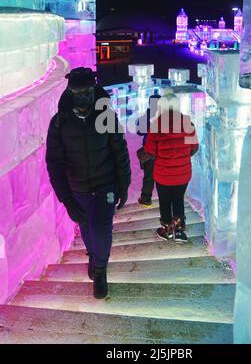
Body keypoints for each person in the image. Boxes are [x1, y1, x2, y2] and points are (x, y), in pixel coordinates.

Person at [46, 67, 131, 299]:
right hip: (78, 188)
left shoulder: (106, 116)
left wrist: (124, 184)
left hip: (106, 185)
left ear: (94, 90)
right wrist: (67, 201)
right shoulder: (59, 123)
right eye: (78, 92)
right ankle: (93, 255)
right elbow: (54, 164)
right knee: (85, 227)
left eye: (88, 92)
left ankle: (101, 271)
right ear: (70, 92)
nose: (84, 97)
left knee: (102, 229)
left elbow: (119, 150)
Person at [138, 92, 198, 243]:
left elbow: (150, 152)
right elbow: (194, 148)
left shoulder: (156, 126)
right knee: (178, 199)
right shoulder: (188, 124)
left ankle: (168, 230)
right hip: (183, 174)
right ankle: (180, 232)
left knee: (165, 201)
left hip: (163, 174)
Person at [136, 95, 161, 206]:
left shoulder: (147, 116)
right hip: (163, 150)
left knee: (149, 175)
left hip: (149, 150)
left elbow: (139, 131)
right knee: (163, 175)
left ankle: (146, 197)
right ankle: (164, 197)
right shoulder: (164, 115)